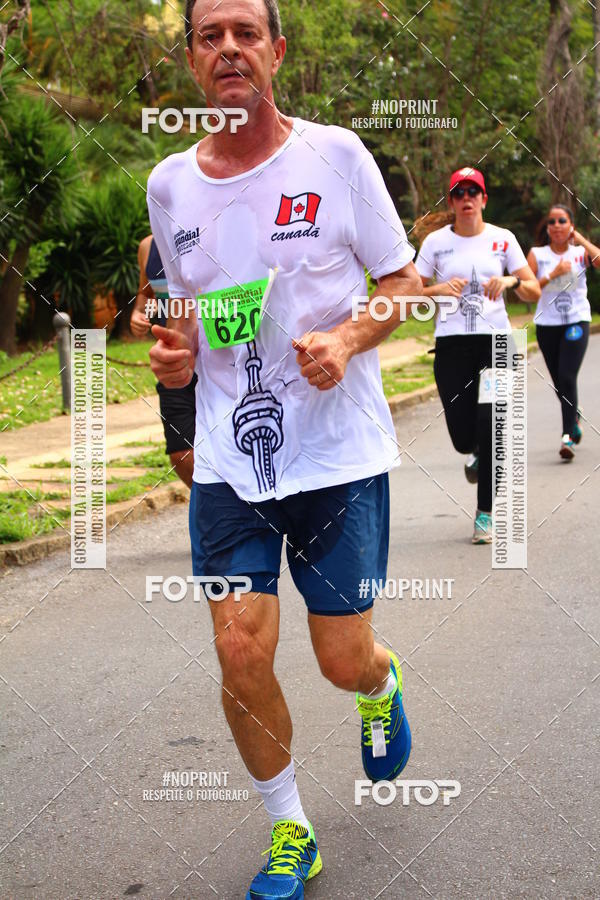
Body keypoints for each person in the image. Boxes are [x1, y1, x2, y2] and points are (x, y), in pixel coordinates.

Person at [147, 1, 422, 896]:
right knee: (239, 650)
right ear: (191, 60)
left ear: (276, 51)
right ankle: (290, 828)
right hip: (235, 458)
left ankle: (381, 688)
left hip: (336, 456)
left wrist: (345, 340)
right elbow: (181, 306)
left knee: (342, 657)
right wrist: (177, 357)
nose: (228, 49)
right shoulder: (168, 185)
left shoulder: (336, 156)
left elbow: (402, 282)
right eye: (208, 35)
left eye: (245, 33)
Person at [414, 167, 540, 544]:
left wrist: (511, 281)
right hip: (451, 344)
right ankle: (476, 453)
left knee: (492, 424)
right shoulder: (436, 243)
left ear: (484, 199)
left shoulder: (503, 240)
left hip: (499, 343)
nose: (466, 198)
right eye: (458, 192)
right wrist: (437, 288)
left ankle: (485, 513)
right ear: (451, 202)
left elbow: (534, 288)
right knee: (462, 436)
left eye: (473, 191)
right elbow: (411, 292)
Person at [526, 205, 600, 460]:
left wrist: (579, 239)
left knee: (567, 376)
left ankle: (567, 434)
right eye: (552, 221)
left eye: (562, 220)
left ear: (570, 225)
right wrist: (551, 274)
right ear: (547, 228)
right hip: (548, 324)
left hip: (576, 321)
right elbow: (526, 289)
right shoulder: (538, 254)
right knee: (559, 381)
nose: (557, 225)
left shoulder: (580, 253)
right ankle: (574, 414)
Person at [130, 234, 196, 488]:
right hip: (174, 363)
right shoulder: (147, 246)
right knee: (180, 451)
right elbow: (147, 295)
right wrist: (140, 315)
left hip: (219, 360)